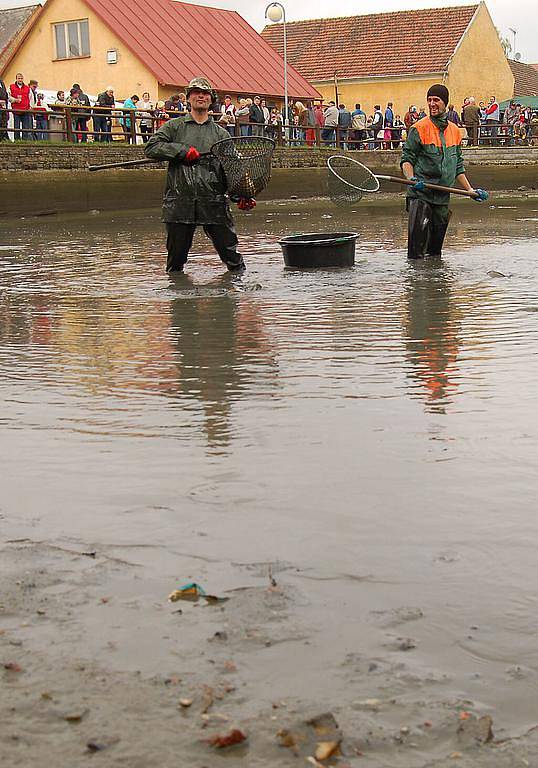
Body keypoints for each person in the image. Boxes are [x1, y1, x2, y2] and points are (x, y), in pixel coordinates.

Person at [144, 77, 249, 274]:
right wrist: (181, 151)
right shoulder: (174, 127)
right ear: (189, 98)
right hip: (179, 203)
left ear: (211, 100)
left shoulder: (221, 134)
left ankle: (236, 297)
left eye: (205, 93)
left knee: (233, 258)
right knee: (176, 261)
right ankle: (177, 299)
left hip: (214, 202)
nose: (200, 96)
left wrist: (241, 196)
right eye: (195, 92)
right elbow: (151, 147)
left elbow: (232, 169)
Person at [400, 84, 488, 260]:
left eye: (436, 100)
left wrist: (470, 190)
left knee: (435, 253)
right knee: (416, 254)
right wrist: (412, 178)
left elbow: (458, 167)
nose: (432, 104)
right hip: (421, 194)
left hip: (442, 197)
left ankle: (436, 286)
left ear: (445, 103)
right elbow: (407, 159)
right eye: (429, 100)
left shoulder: (455, 131)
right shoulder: (418, 128)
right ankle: (415, 285)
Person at [9, 73, 32, 140]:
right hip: (16, 110)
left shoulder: (27, 88)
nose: (20, 80)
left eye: (21, 78)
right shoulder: (11, 87)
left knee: (25, 127)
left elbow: (31, 98)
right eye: (19, 78)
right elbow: (8, 96)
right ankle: (17, 141)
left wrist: (30, 106)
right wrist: (14, 100)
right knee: (17, 127)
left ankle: (24, 142)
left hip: (25, 110)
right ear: (16, 79)